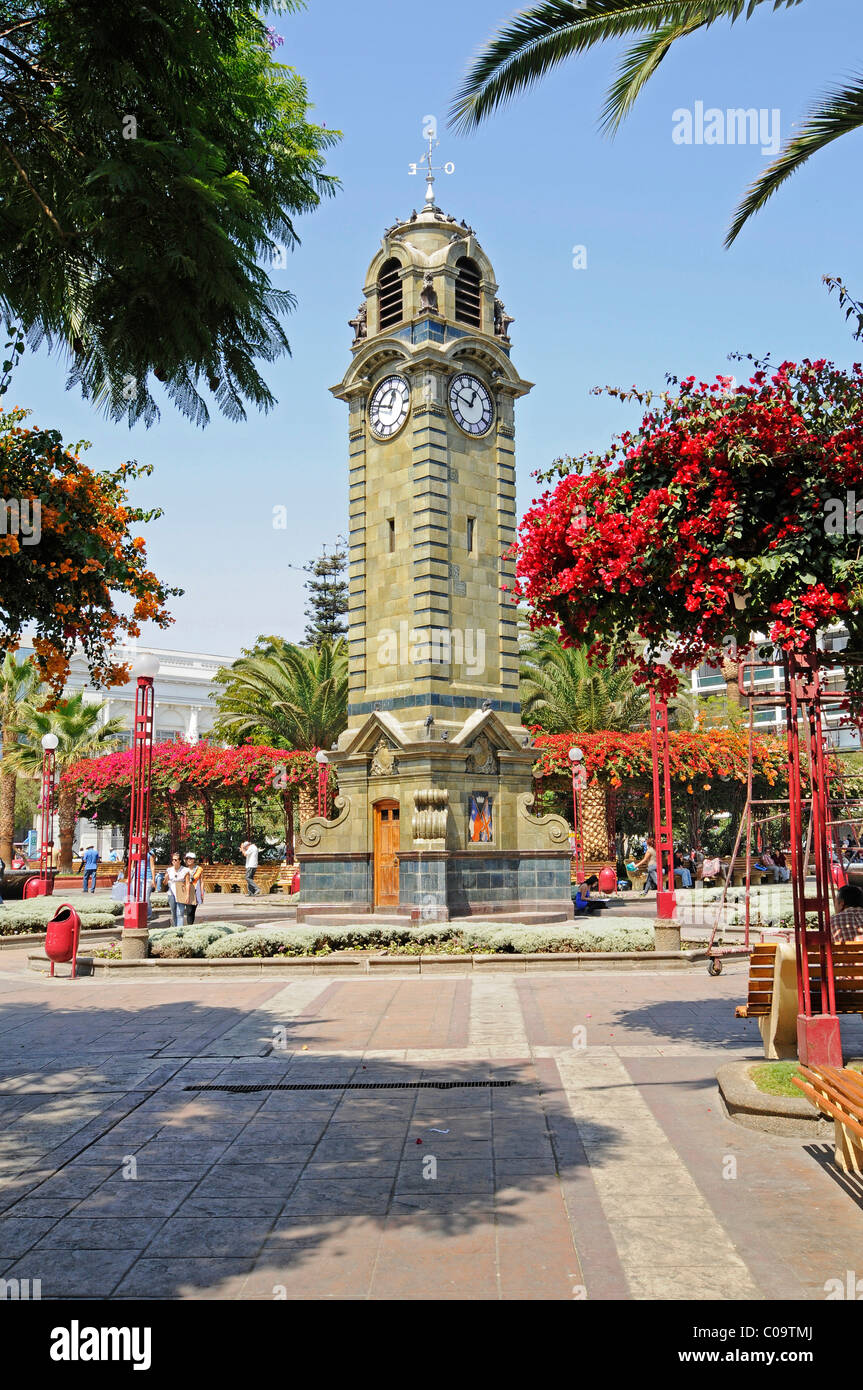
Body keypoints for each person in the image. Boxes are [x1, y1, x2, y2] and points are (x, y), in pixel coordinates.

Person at [165, 853, 192, 928]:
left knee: (180, 913)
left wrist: (187, 895)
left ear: (180, 861)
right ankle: (175, 928)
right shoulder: (169, 870)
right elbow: (164, 883)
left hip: (181, 892)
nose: (173, 861)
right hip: (171, 893)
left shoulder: (185, 870)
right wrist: (166, 878)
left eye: (175, 860)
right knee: (173, 912)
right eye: (172, 860)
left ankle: (179, 930)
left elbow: (187, 883)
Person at [185, 852, 204, 923]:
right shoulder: (184, 869)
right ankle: (189, 925)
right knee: (189, 910)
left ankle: (191, 924)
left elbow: (202, 881)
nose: (188, 860)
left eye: (190, 858)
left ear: (194, 860)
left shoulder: (199, 869)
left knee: (193, 910)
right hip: (188, 891)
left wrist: (202, 893)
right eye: (187, 859)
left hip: (196, 891)